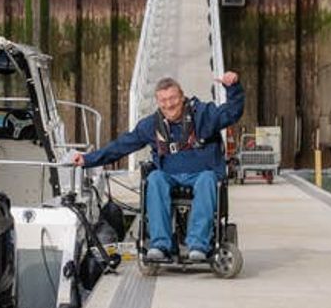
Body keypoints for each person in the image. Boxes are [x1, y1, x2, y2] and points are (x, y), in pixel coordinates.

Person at [73, 72, 244, 261]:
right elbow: (121, 146)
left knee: (207, 179)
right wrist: (88, 159)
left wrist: (233, 87)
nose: (169, 105)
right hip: (169, 174)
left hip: (202, 172)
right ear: (158, 102)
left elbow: (232, 112)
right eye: (163, 100)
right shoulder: (151, 125)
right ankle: (160, 244)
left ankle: (198, 244)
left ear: (182, 97)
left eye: (173, 98)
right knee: (154, 179)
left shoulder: (204, 114)